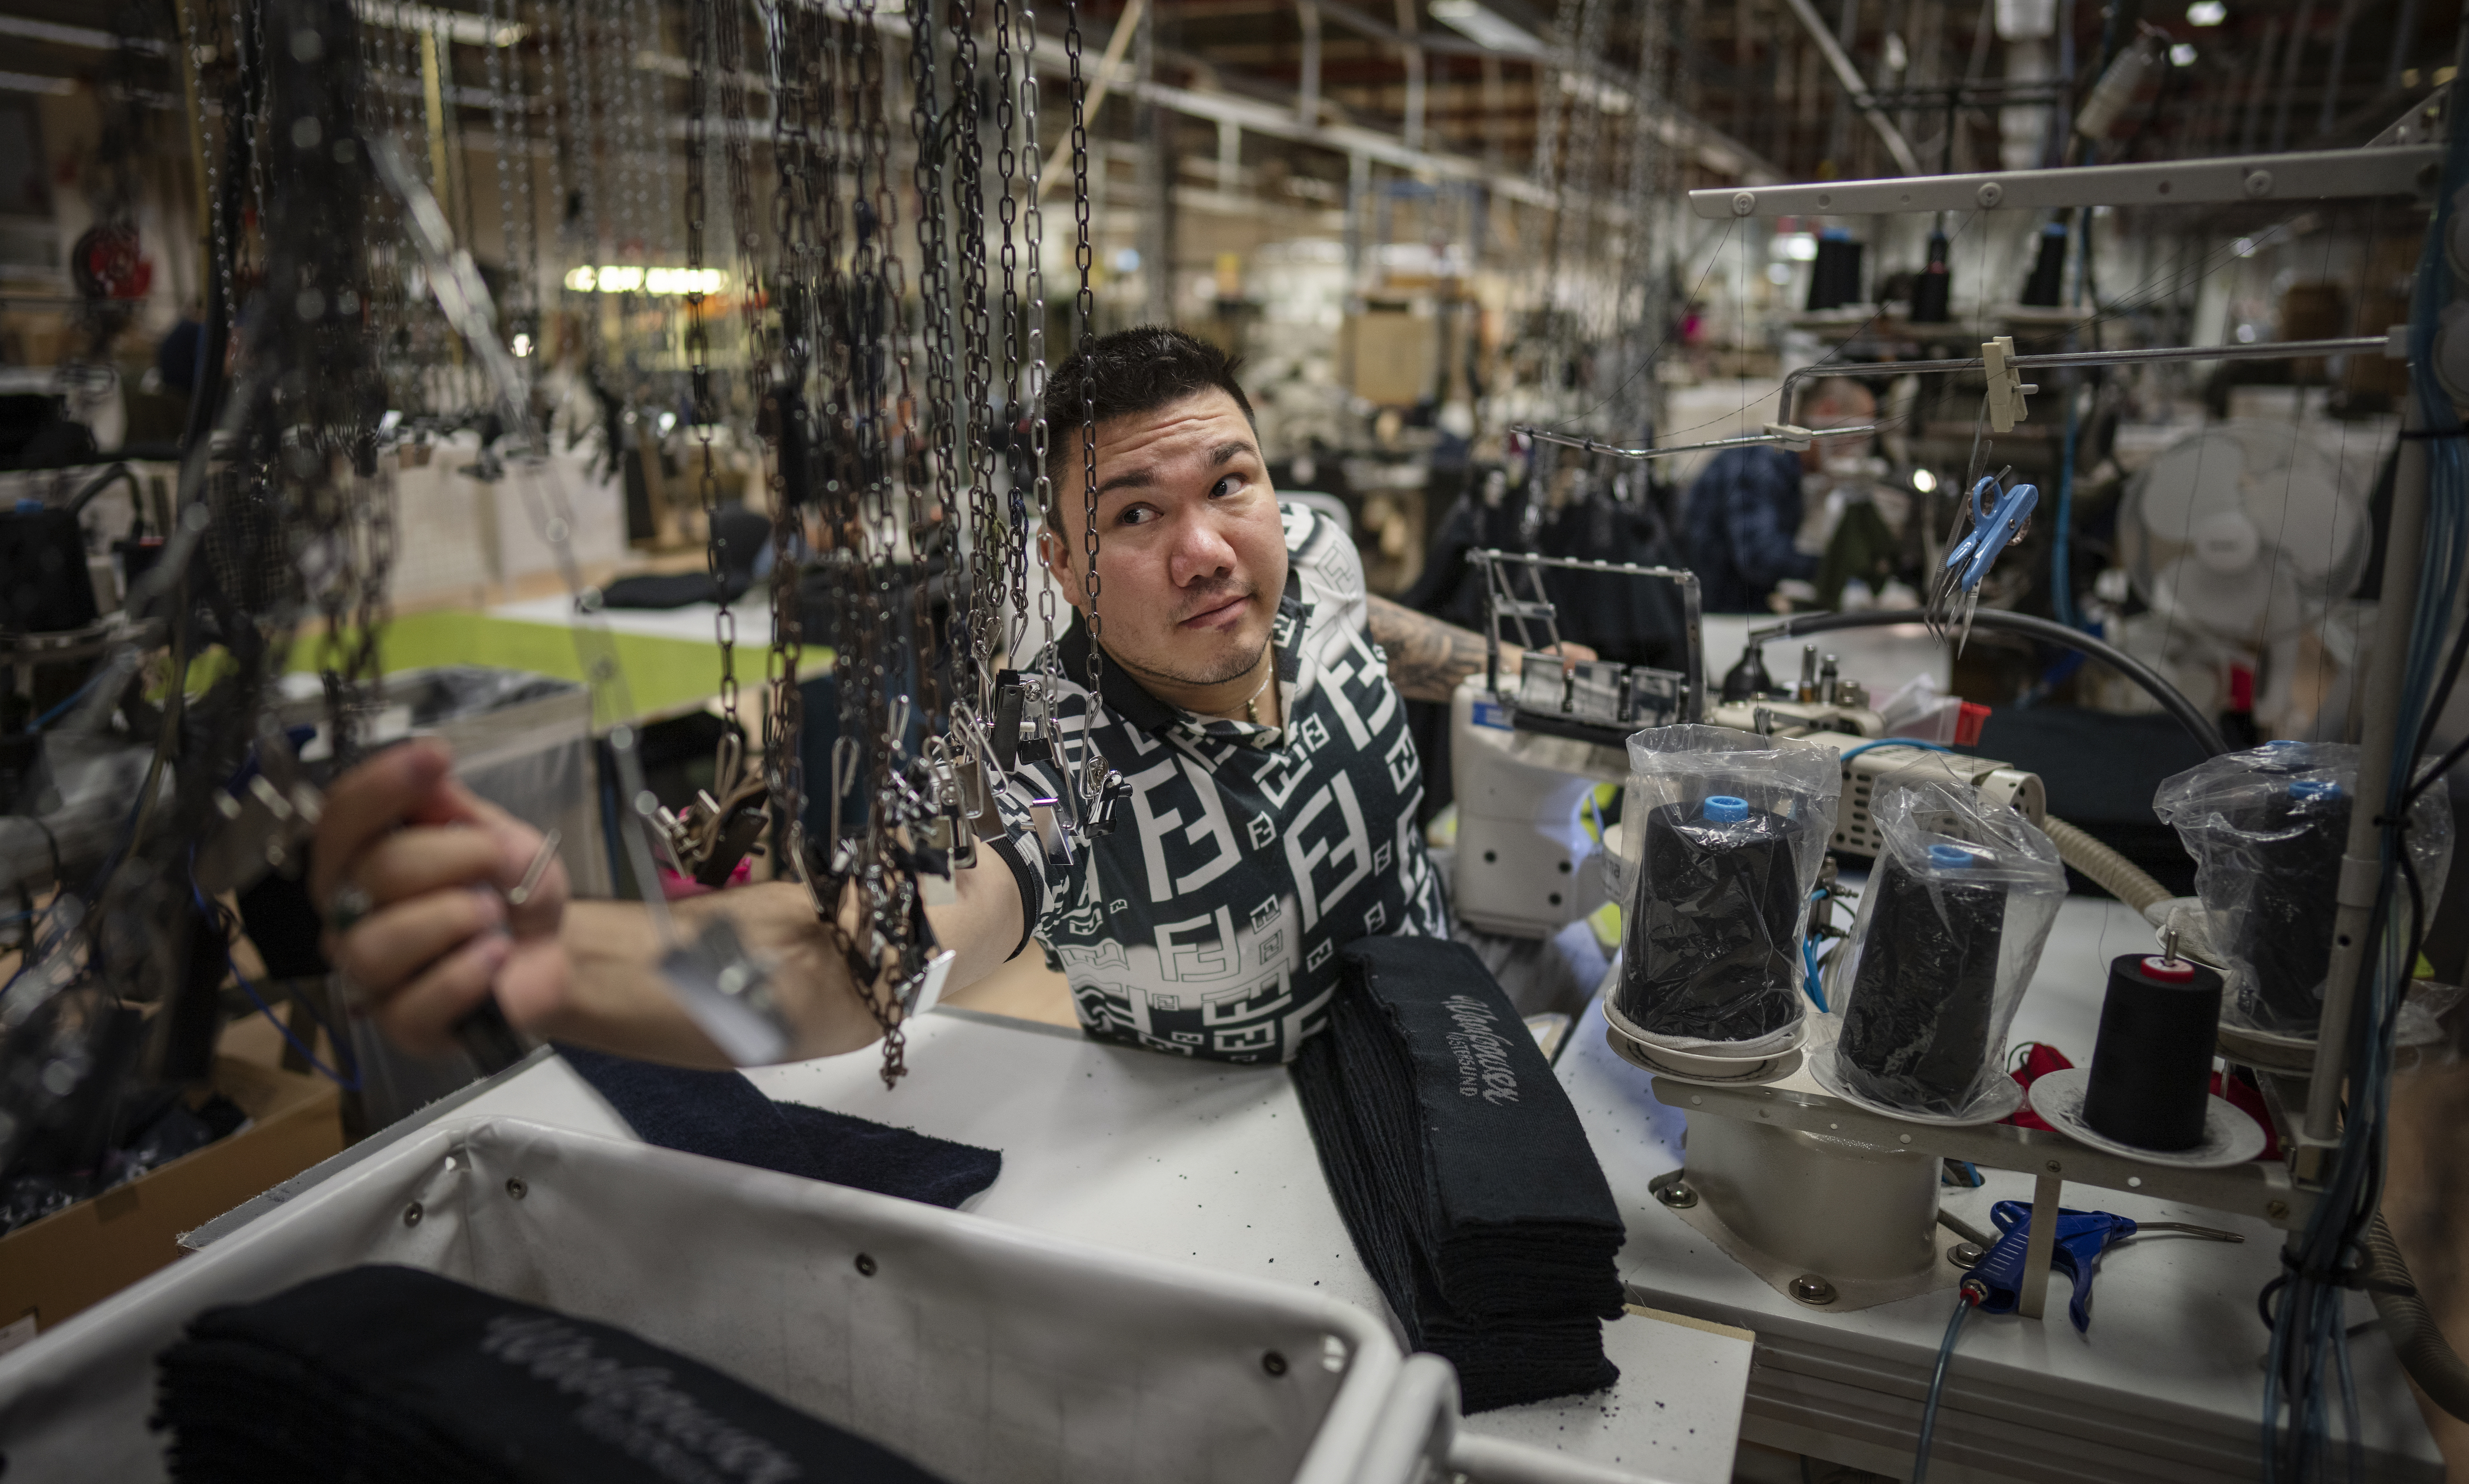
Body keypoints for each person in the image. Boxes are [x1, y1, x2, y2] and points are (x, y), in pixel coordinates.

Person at [311, 327, 1561, 1068]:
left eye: (1229, 485)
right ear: (1062, 567)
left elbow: (1375, 628)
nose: (1206, 550)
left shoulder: (1316, 551)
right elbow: (852, 949)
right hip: (1271, 1139)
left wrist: (1542, 679)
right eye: (1136, 514)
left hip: (1452, 1016)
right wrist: (571, 960)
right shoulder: (1066, 767)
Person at [1673, 376, 1878, 613]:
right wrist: (1839, 567)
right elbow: (1758, 557)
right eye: (1856, 437)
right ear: (1827, 412)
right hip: (1720, 615)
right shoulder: (1760, 462)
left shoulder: (1784, 465)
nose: (1856, 451)